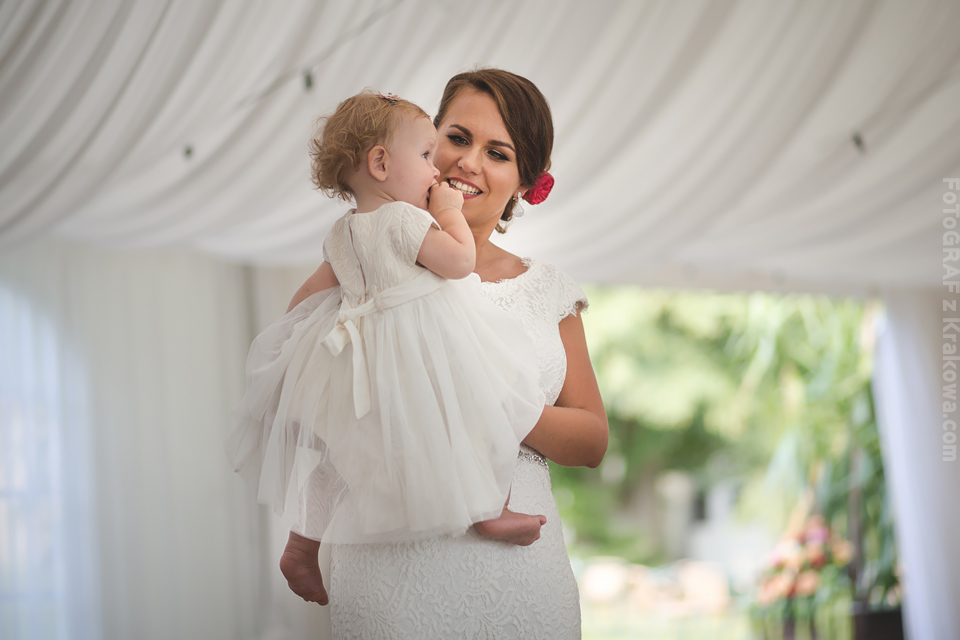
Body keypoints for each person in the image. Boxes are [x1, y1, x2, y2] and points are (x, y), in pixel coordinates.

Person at [281, 69, 609, 638]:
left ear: (524, 181)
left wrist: (494, 402)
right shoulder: (369, 258)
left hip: (524, 585)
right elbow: (317, 381)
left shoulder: (549, 289)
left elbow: (593, 441)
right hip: (388, 582)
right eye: (457, 138)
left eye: (498, 153)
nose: (468, 162)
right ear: (427, 143)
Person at [228, 89, 554, 590]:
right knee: (480, 404)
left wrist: (294, 346)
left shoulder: (341, 233)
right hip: (418, 351)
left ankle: (301, 544)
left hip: (360, 360)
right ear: (381, 163)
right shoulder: (406, 219)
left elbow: (308, 297)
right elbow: (459, 262)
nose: (435, 171)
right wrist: (448, 211)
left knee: (340, 454)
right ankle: (493, 509)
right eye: (426, 155)